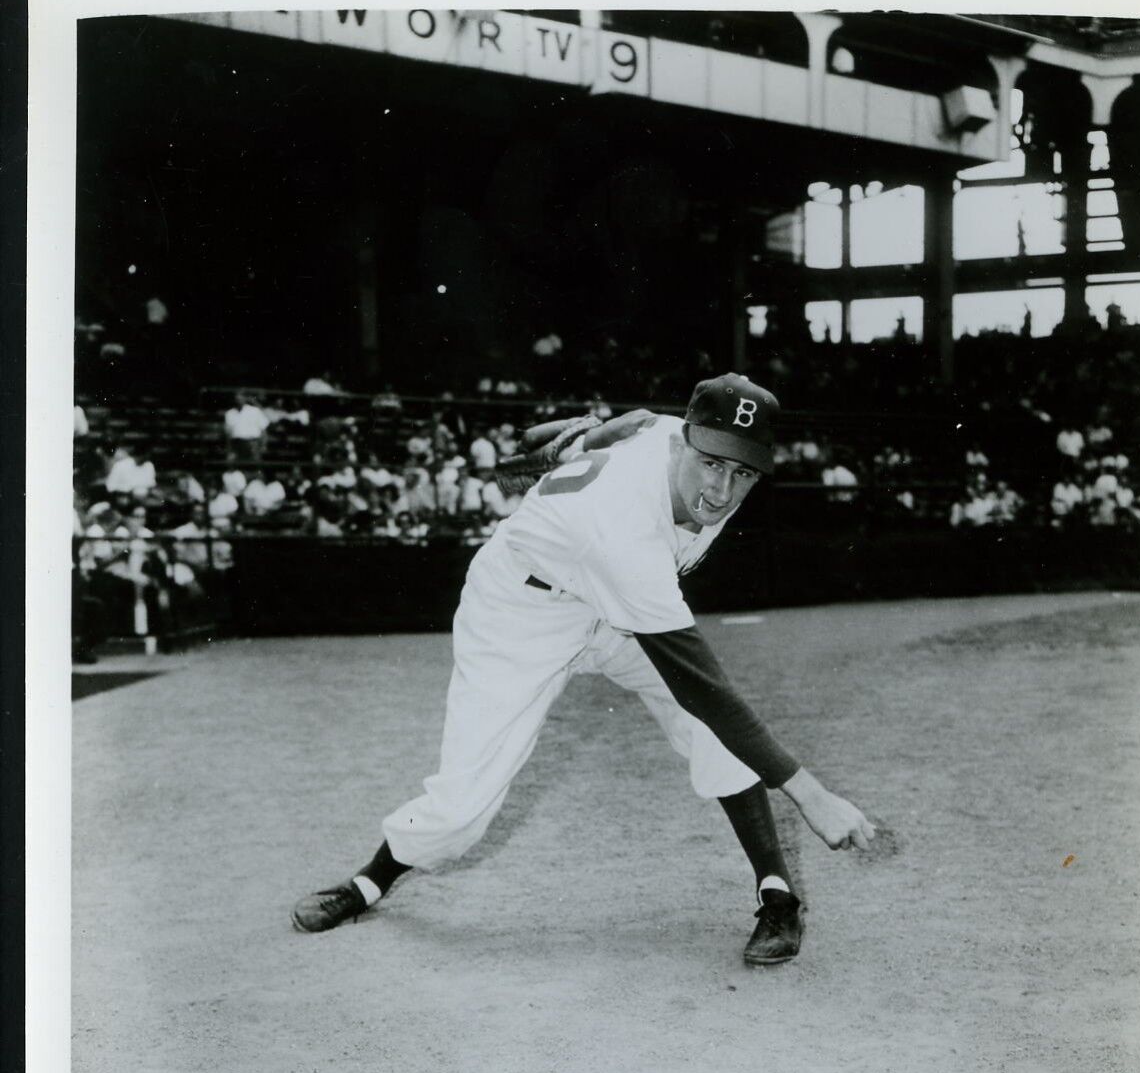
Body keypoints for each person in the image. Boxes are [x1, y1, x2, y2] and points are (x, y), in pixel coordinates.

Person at [291, 373, 876, 966]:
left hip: (612, 609)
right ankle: (369, 880)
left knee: (713, 736)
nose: (722, 488)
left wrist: (585, 441)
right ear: (683, 446)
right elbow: (701, 684)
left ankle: (776, 894)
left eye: (743, 470)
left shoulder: (671, 434)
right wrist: (813, 794)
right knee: (465, 804)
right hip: (521, 612)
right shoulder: (622, 524)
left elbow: (640, 420)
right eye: (710, 464)